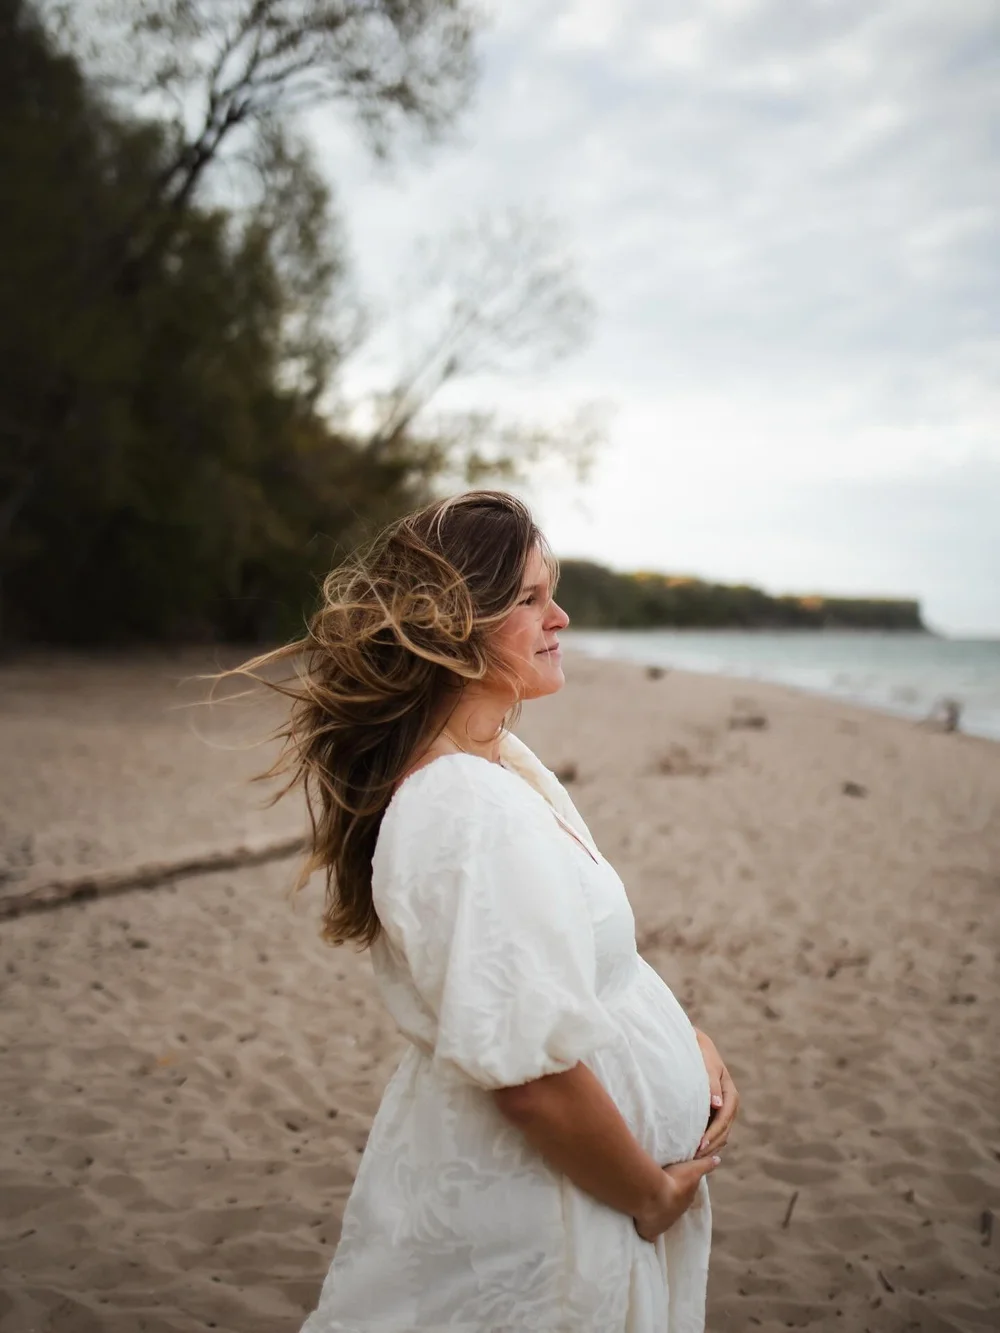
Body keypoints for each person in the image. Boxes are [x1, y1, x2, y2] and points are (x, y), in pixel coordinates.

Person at [239, 490, 739, 1332]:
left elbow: (574, 959)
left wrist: (687, 1041)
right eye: (529, 598)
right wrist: (649, 1195)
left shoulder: (500, 761)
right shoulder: (462, 807)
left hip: (565, 1194)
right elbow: (532, 1083)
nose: (561, 616)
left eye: (553, 592)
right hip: (545, 1208)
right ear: (450, 625)